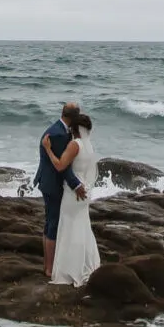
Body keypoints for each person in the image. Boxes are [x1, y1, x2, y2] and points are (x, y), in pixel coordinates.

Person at [36, 101, 89, 281]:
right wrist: (76, 185)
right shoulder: (59, 134)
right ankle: (49, 268)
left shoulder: (59, 129)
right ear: (73, 117)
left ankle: (47, 265)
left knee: (49, 222)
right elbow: (63, 166)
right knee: (53, 224)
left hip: (49, 182)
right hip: (52, 184)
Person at [49, 112, 102, 286]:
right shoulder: (89, 145)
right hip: (85, 189)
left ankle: (69, 269)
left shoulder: (75, 144)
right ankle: (86, 264)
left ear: (75, 128)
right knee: (82, 226)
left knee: (69, 226)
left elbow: (60, 165)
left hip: (73, 192)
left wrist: (48, 149)